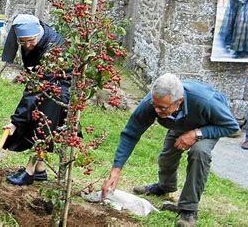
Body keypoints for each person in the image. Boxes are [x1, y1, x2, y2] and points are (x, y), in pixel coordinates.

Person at [100, 73, 239, 227]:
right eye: (155, 106)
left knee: (199, 153)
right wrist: (116, 170)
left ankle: (188, 210)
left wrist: (196, 134)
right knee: (167, 156)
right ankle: (164, 187)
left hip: (207, 125)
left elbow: (231, 126)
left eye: (162, 108)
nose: (157, 111)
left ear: (179, 101)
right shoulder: (153, 102)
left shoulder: (205, 101)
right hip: (180, 122)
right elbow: (131, 133)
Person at [1, 14, 69, 186]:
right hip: (45, 82)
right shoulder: (31, 41)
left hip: (61, 86)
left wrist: (16, 121)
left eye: (30, 41)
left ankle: (30, 171)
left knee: (43, 127)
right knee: (37, 119)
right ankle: (39, 170)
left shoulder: (52, 49)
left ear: (38, 34)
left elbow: (36, 87)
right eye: (22, 42)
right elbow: (34, 81)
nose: (27, 45)